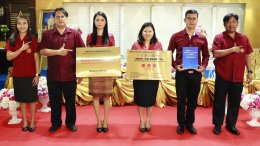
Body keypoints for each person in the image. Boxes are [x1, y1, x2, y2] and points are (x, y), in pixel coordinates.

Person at [40, 7, 85, 133]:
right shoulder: (47, 34)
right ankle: (56, 123)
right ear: (54, 19)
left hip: (70, 75)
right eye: (57, 17)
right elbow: (42, 51)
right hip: (53, 75)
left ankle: (70, 123)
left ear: (66, 18)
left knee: (70, 102)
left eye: (62, 17)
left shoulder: (75, 34)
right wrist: (58, 52)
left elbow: (81, 53)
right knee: (54, 102)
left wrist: (81, 73)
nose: (60, 19)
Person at [167, 9, 210, 134]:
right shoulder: (176, 36)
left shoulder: (202, 38)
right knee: (181, 101)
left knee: (192, 101)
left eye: (194, 18)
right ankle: (181, 124)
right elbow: (169, 53)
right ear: (184, 20)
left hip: (196, 74)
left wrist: (203, 66)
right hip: (181, 74)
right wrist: (175, 66)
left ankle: (190, 123)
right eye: (189, 18)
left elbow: (206, 55)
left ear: (197, 20)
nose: (191, 20)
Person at [212, 13, 253, 136]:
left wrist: (250, 71)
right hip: (223, 75)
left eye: (234, 21)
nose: (231, 24)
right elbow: (216, 53)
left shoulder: (244, 38)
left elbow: (248, 55)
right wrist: (231, 50)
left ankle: (231, 125)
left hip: (238, 77)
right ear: (224, 24)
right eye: (228, 22)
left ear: (237, 23)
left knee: (234, 102)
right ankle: (218, 125)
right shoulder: (219, 37)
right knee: (219, 101)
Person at [5, 15, 40, 132]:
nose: (22, 26)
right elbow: (9, 57)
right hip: (18, 75)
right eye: (19, 23)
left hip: (31, 75)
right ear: (16, 25)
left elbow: (36, 58)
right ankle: (25, 120)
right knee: (22, 100)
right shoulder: (12, 39)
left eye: (24, 23)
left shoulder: (33, 39)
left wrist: (37, 74)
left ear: (28, 25)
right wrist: (20, 49)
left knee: (32, 99)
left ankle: (33, 120)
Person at [86, 11, 115, 133]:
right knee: (96, 96)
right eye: (97, 20)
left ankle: (106, 121)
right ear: (94, 22)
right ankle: (98, 121)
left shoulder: (110, 36)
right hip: (94, 71)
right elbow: (86, 54)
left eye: (102, 20)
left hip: (107, 72)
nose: (100, 22)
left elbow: (113, 55)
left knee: (107, 97)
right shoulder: (89, 36)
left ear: (106, 22)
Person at [131, 22, 163, 132]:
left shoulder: (158, 45)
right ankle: (141, 120)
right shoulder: (136, 45)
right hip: (140, 78)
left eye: (150, 31)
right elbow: (132, 61)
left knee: (150, 100)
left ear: (153, 32)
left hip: (153, 78)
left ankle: (148, 120)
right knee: (140, 100)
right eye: (145, 31)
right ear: (141, 32)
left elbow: (162, 61)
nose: (147, 33)